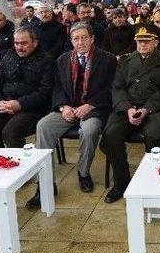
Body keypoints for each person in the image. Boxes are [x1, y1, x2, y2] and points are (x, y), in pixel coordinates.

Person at [26, 22, 117, 209]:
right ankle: (45, 184)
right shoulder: (62, 59)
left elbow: (112, 89)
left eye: (84, 37)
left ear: (92, 39)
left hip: (94, 109)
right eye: (76, 38)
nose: (80, 42)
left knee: (90, 130)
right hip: (68, 108)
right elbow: (56, 87)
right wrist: (62, 106)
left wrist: (90, 105)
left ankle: (83, 173)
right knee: (43, 126)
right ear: (71, 41)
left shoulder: (107, 60)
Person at [102, 23, 160, 203]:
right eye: (139, 41)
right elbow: (117, 88)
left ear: (156, 42)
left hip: (154, 108)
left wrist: (146, 109)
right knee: (111, 134)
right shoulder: (125, 61)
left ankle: (154, 182)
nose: (142, 45)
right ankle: (121, 183)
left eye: (147, 41)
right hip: (128, 107)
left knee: (154, 136)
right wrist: (128, 109)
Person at [0, 28, 55, 148]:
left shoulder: (47, 60)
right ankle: (1, 161)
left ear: (35, 43)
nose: (19, 47)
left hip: (32, 107)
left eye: (24, 43)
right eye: (16, 43)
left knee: (10, 133)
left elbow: (45, 91)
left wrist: (20, 103)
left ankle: (20, 164)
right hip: (5, 104)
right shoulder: (9, 57)